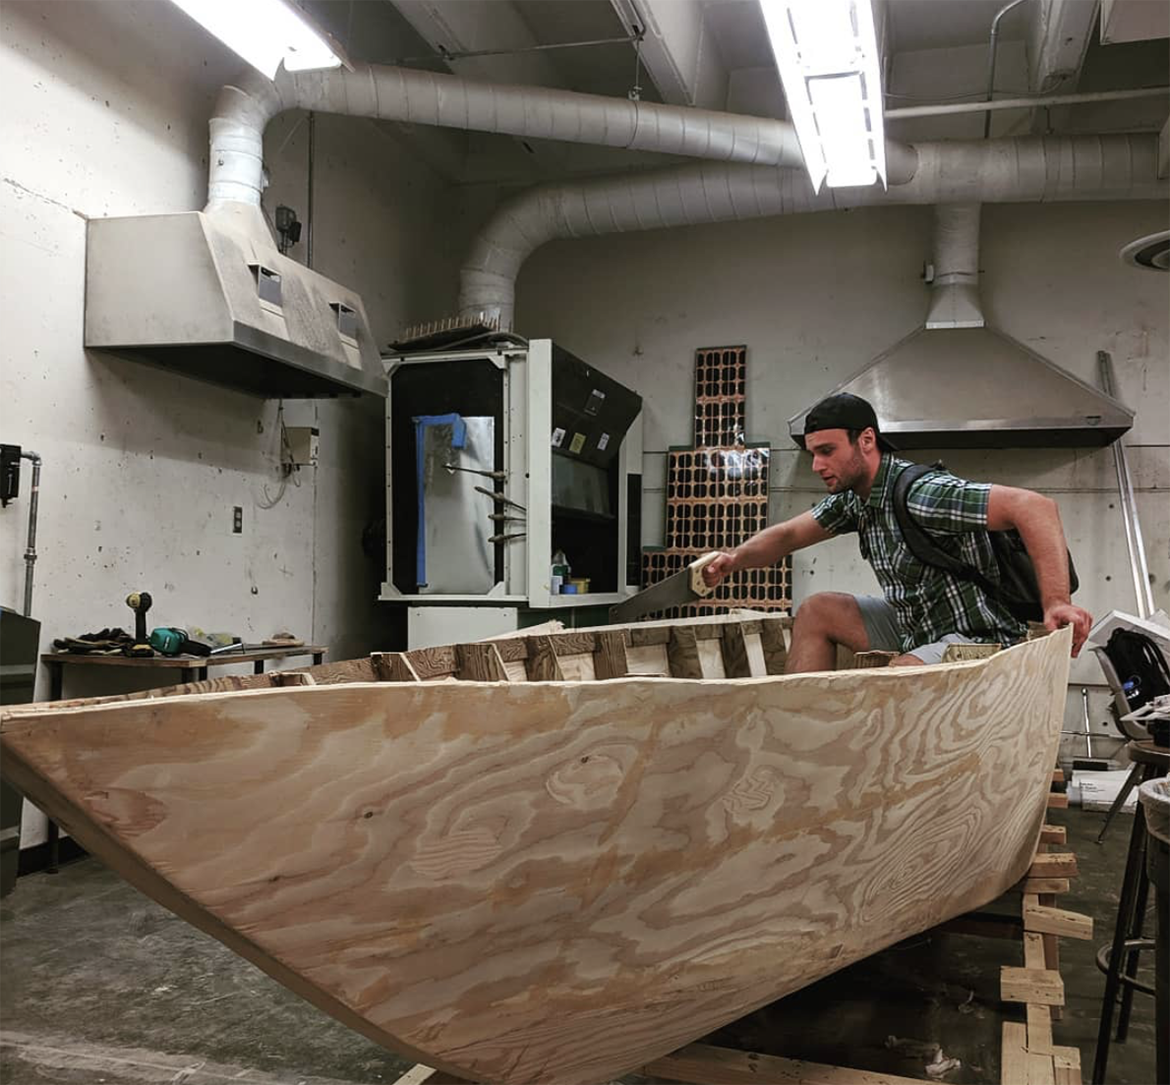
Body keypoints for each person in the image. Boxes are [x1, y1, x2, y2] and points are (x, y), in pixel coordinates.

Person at [702, 392, 1092, 672]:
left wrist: (1056, 601)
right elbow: (788, 536)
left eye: (827, 451)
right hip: (916, 627)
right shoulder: (854, 499)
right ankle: (804, 730)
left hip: (977, 637)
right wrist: (733, 561)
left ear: (866, 440)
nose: (817, 465)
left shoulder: (921, 493)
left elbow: (1035, 507)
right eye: (813, 454)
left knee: (900, 680)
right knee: (818, 611)